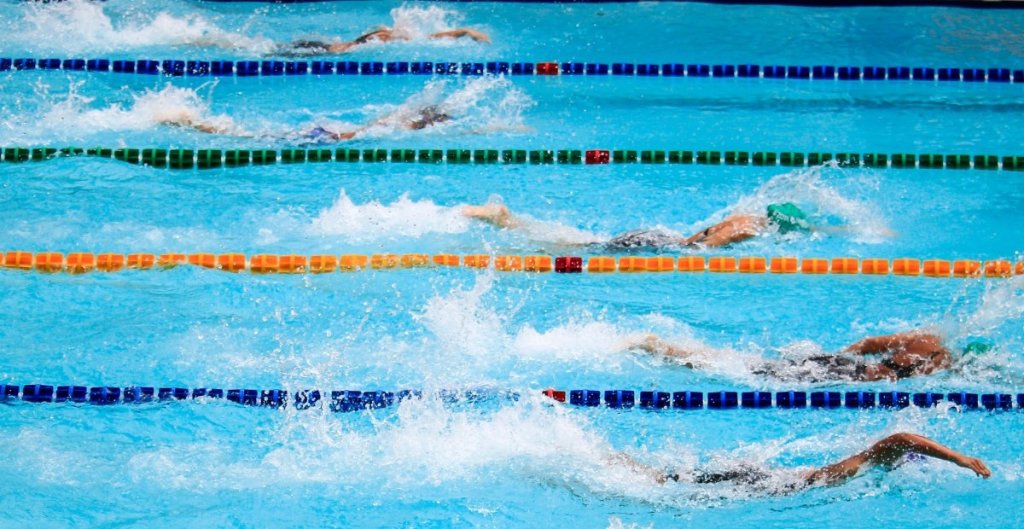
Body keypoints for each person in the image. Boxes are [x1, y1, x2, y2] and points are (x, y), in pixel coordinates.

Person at [612, 432, 990, 494]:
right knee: (664, 483)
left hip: (768, 479)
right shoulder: (866, 463)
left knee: (671, 479)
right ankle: (619, 464)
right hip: (766, 483)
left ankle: (624, 464)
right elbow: (901, 439)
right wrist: (958, 458)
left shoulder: (865, 470)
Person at [629, 330, 990, 382]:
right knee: (756, 373)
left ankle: (670, 348)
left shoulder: (925, 337)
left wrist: (834, 357)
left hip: (840, 364)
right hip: (845, 376)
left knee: (755, 366)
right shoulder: (939, 362)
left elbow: (866, 343)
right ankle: (666, 350)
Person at [461, 202, 813, 250]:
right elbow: (701, 249)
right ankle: (505, 222)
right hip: (663, 245)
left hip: (660, 235)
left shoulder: (744, 215)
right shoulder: (749, 229)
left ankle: (510, 221)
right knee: (583, 250)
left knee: (587, 244)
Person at [155, 105, 451, 142]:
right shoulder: (398, 128)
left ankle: (193, 122)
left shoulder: (394, 122)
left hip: (324, 134)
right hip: (323, 139)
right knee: (245, 138)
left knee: (249, 135)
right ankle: (191, 123)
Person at [276, 27, 491, 56]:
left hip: (324, 48)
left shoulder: (390, 36)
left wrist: (465, 31)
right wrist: (464, 31)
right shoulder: (383, 36)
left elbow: (430, 37)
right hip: (323, 51)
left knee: (274, 51)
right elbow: (432, 37)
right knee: (271, 53)